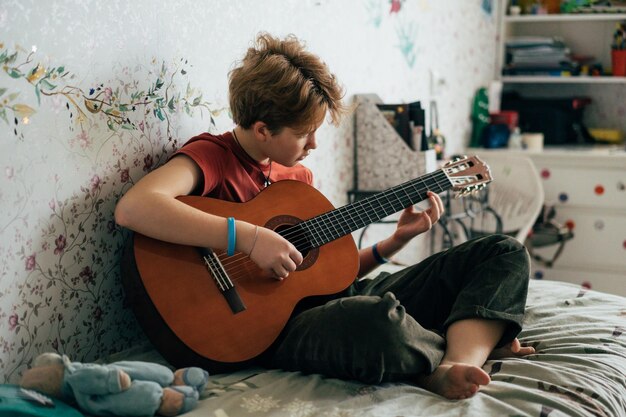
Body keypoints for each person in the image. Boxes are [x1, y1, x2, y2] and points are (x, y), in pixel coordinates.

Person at [115, 32, 534, 400]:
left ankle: (455, 361)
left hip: (334, 303)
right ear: (262, 129)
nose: (314, 143)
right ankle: (472, 335)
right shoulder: (213, 157)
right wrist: (249, 238)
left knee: (504, 252)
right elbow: (135, 207)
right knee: (378, 321)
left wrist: (394, 244)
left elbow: (329, 277)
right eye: (304, 132)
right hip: (270, 329)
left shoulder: (296, 178)